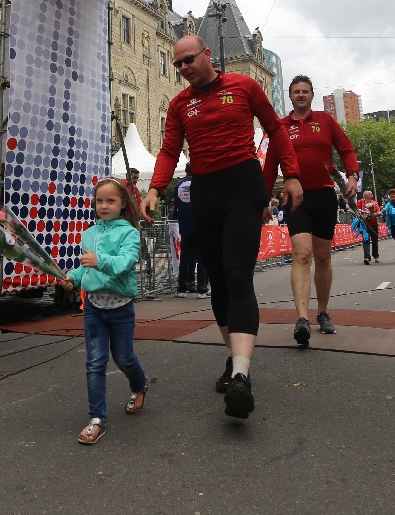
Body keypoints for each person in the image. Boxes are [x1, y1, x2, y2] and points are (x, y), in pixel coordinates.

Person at [141, 35, 302, 420]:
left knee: (237, 275)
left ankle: (242, 375)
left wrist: (292, 174)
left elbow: (275, 129)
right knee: (217, 279)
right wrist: (154, 188)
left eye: (189, 60)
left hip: (242, 185)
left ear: (207, 55)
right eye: (177, 64)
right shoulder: (179, 104)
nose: (183, 68)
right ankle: (234, 358)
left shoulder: (244, 86)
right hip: (205, 191)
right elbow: (169, 150)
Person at [263, 75, 360, 346]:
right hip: (296, 198)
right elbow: (270, 165)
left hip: (324, 196)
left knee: (323, 257)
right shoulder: (281, 127)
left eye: (305, 91)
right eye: (296, 91)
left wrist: (353, 175)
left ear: (312, 95)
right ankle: (302, 319)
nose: (301, 95)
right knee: (302, 254)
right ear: (290, 96)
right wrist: (263, 199)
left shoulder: (326, 121)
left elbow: (347, 150)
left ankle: (323, 312)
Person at [60, 178, 148, 445]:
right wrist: (73, 277)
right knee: (95, 362)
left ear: (123, 204)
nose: (104, 206)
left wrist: (99, 261)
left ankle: (139, 385)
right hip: (93, 308)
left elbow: (125, 262)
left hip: (121, 308)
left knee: (124, 358)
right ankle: (97, 418)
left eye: (111, 200)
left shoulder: (130, 233)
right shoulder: (89, 233)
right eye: (99, 201)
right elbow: (85, 268)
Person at [172, 164, 208, 299]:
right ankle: (202, 290)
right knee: (202, 259)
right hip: (200, 226)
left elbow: (175, 206)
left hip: (185, 226)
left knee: (185, 258)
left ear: (185, 170)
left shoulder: (178, 185)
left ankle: (181, 289)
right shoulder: (202, 184)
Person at [356, 189, 381, 264]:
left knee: (374, 240)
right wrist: (361, 216)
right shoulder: (360, 202)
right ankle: (367, 257)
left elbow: (378, 211)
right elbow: (356, 211)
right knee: (366, 240)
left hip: (374, 224)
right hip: (365, 225)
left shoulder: (374, 203)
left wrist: (377, 214)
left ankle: (375, 255)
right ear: (365, 196)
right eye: (370, 195)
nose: (372, 196)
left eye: (372, 194)